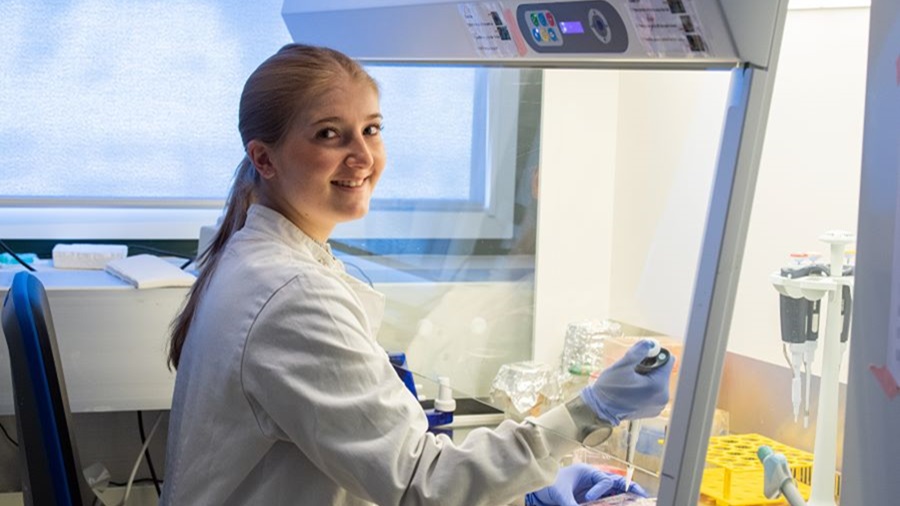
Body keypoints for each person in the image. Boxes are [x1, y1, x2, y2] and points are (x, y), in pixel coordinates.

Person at [161, 43, 674, 506]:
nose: (363, 156)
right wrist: (590, 412)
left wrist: (528, 481)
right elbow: (421, 484)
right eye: (329, 134)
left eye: (371, 129)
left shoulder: (258, 258)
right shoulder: (292, 294)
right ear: (264, 158)